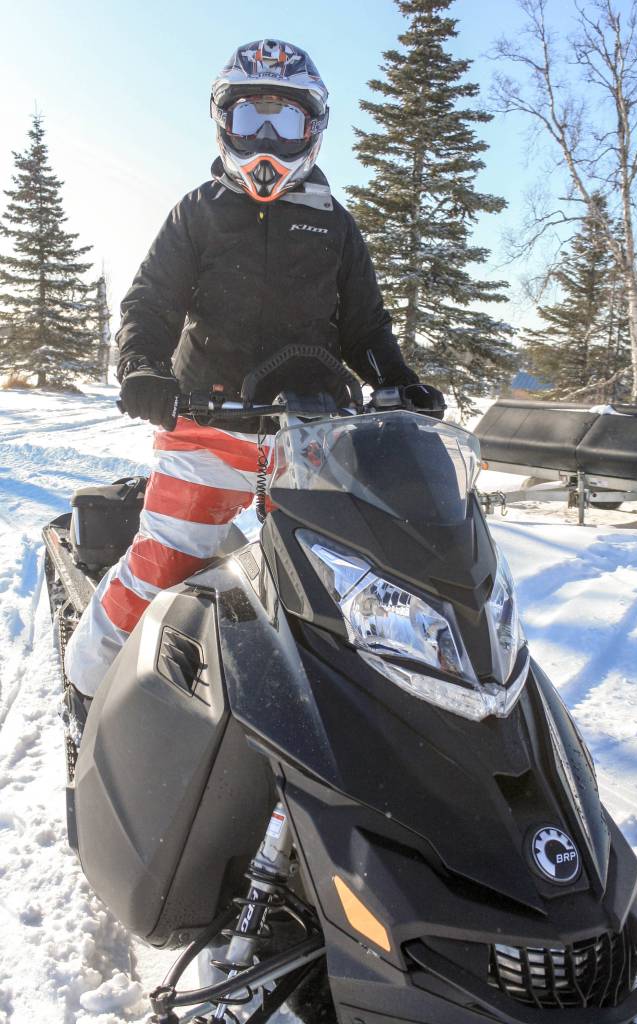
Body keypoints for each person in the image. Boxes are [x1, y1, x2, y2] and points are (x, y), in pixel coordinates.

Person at [64, 38, 441, 698]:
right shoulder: (198, 211)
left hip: (314, 437)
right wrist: (143, 368)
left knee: (341, 584)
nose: (266, 138)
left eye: (285, 122)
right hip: (207, 422)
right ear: (223, 123)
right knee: (168, 560)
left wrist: (396, 381)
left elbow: (364, 328)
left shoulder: (334, 226)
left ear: (312, 130)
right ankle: (89, 682)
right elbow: (150, 300)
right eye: (249, 120)